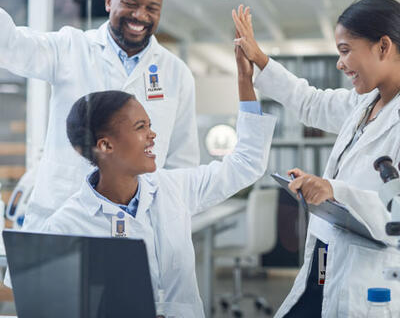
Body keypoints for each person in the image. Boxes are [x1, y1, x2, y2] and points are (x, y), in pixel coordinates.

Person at [38, 47, 276, 318]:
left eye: (150, 125)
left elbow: (247, 164)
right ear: (105, 145)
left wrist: (245, 82)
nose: (153, 135)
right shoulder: (64, 226)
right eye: (141, 127)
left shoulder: (173, 188)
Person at [232, 0, 400, 317]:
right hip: (324, 264)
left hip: (365, 281)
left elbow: (397, 215)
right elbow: (309, 102)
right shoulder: (363, 103)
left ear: (383, 47)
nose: (339, 63)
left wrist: (334, 191)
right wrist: (259, 60)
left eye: (346, 50)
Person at [0, 0, 199, 231]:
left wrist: (169, 226)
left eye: (152, 8)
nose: (140, 15)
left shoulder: (176, 73)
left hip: (135, 224)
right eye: (130, 3)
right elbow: (12, 47)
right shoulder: (70, 47)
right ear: (109, 0)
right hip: (61, 213)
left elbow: (181, 163)